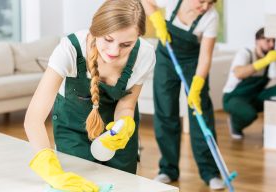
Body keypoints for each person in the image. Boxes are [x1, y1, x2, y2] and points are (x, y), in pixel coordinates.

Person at [24, 0, 155, 191]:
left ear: (138, 38)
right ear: (95, 29)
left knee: (123, 185)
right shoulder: (69, 49)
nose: (114, 51)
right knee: (79, 184)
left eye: (126, 44)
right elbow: (33, 119)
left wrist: (123, 126)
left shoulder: (145, 54)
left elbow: (127, 105)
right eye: (108, 40)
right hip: (73, 127)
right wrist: (50, 170)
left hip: (114, 134)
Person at [141, 0, 225, 190]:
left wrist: (197, 84)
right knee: (165, 110)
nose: (205, 6)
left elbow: (205, 56)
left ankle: (210, 171)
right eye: (202, 1)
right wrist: (155, 17)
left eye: (210, 2)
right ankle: (168, 169)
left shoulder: (211, 17)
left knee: (200, 112)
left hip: (193, 62)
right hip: (166, 57)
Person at [222, 27, 276, 140]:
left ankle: (270, 128)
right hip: (233, 97)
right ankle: (235, 124)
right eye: (268, 41)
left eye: (274, 41)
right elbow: (238, 73)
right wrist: (265, 61)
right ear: (257, 41)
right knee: (249, 114)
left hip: (255, 96)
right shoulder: (246, 53)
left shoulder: (273, 58)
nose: (272, 45)